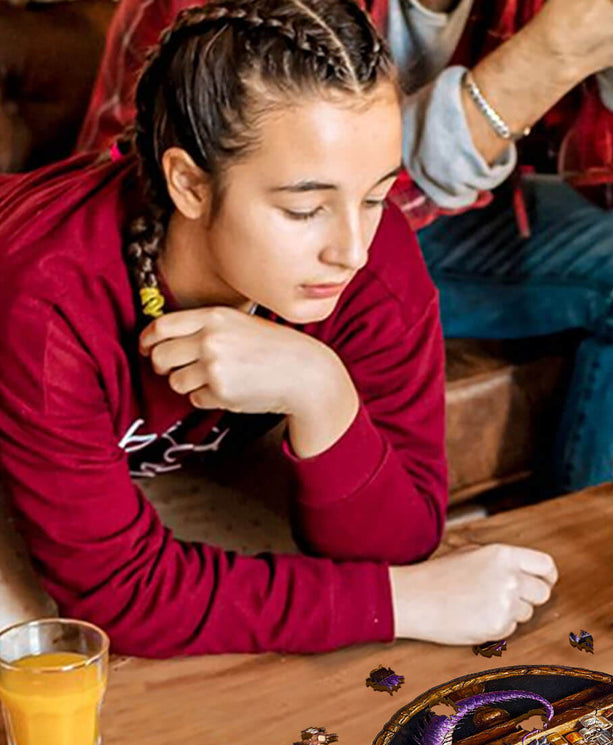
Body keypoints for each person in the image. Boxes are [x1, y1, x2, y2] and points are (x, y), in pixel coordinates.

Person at [0, 0, 556, 656]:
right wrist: (403, 601)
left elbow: (402, 538)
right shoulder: (49, 300)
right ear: (189, 185)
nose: (351, 248)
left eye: (375, 196)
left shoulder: (371, 254)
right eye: (305, 209)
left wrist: (321, 390)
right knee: (33, 649)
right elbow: (123, 598)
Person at [77, 0, 613, 493]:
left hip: (432, 223)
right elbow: (156, 203)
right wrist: (544, 59)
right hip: (235, 247)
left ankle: (604, 558)